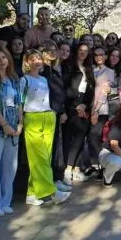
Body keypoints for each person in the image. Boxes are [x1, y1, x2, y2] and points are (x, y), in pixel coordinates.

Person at [20, 50, 70, 206]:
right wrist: (20, 121)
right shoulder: (24, 80)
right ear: (27, 62)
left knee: (45, 157)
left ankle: (32, 193)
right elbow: (19, 102)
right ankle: (52, 192)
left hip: (48, 117)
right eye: (32, 59)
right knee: (39, 156)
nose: (36, 61)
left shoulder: (43, 79)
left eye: (39, 58)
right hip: (32, 118)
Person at [0, 46, 23, 217]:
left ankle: (6, 201)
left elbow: (19, 103)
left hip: (14, 126)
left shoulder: (14, 79)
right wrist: (4, 125)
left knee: (10, 166)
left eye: (3, 57)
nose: (1, 61)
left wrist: (20, 123)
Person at [40, 41, 70, 192]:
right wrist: (61, 110)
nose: (52, 52)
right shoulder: (44, 71)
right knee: (52, 149)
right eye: (48, 50)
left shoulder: (53, 70)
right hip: (50, 113)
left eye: (54, 49)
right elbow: (51, 94)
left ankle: (56, 178)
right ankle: (52, 181)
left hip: (56, 113)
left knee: (57, 148)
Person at [64, 43, 96, 185]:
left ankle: (76, 169)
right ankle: (67, 169)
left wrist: (85, 105)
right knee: (70, 140)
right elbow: (66, 88)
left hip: (84, 106)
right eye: (80, 50)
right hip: (71, 107)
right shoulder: (69, 67)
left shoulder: (89, 69)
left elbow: (91, 90)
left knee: (80, 138)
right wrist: (76, 106)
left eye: (85, 51)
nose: (83, 53)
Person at [89, 46, 115, 178]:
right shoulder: (90, 70)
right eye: (96, 54)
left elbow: (104, 93)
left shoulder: (109, 72)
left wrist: (95, 110)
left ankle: (102, 164)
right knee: (90, 137)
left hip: (100, 108)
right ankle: (94, 164)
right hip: (87, 107)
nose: (98, 57)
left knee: (95, 136)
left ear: (106, 56)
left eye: (101, 54)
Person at [106, 47, 121, 114]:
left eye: (117, 57)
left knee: (115, 104)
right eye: (112, 55)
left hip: (113, 98)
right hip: (99, 96)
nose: (114, 58)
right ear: (108, 56)